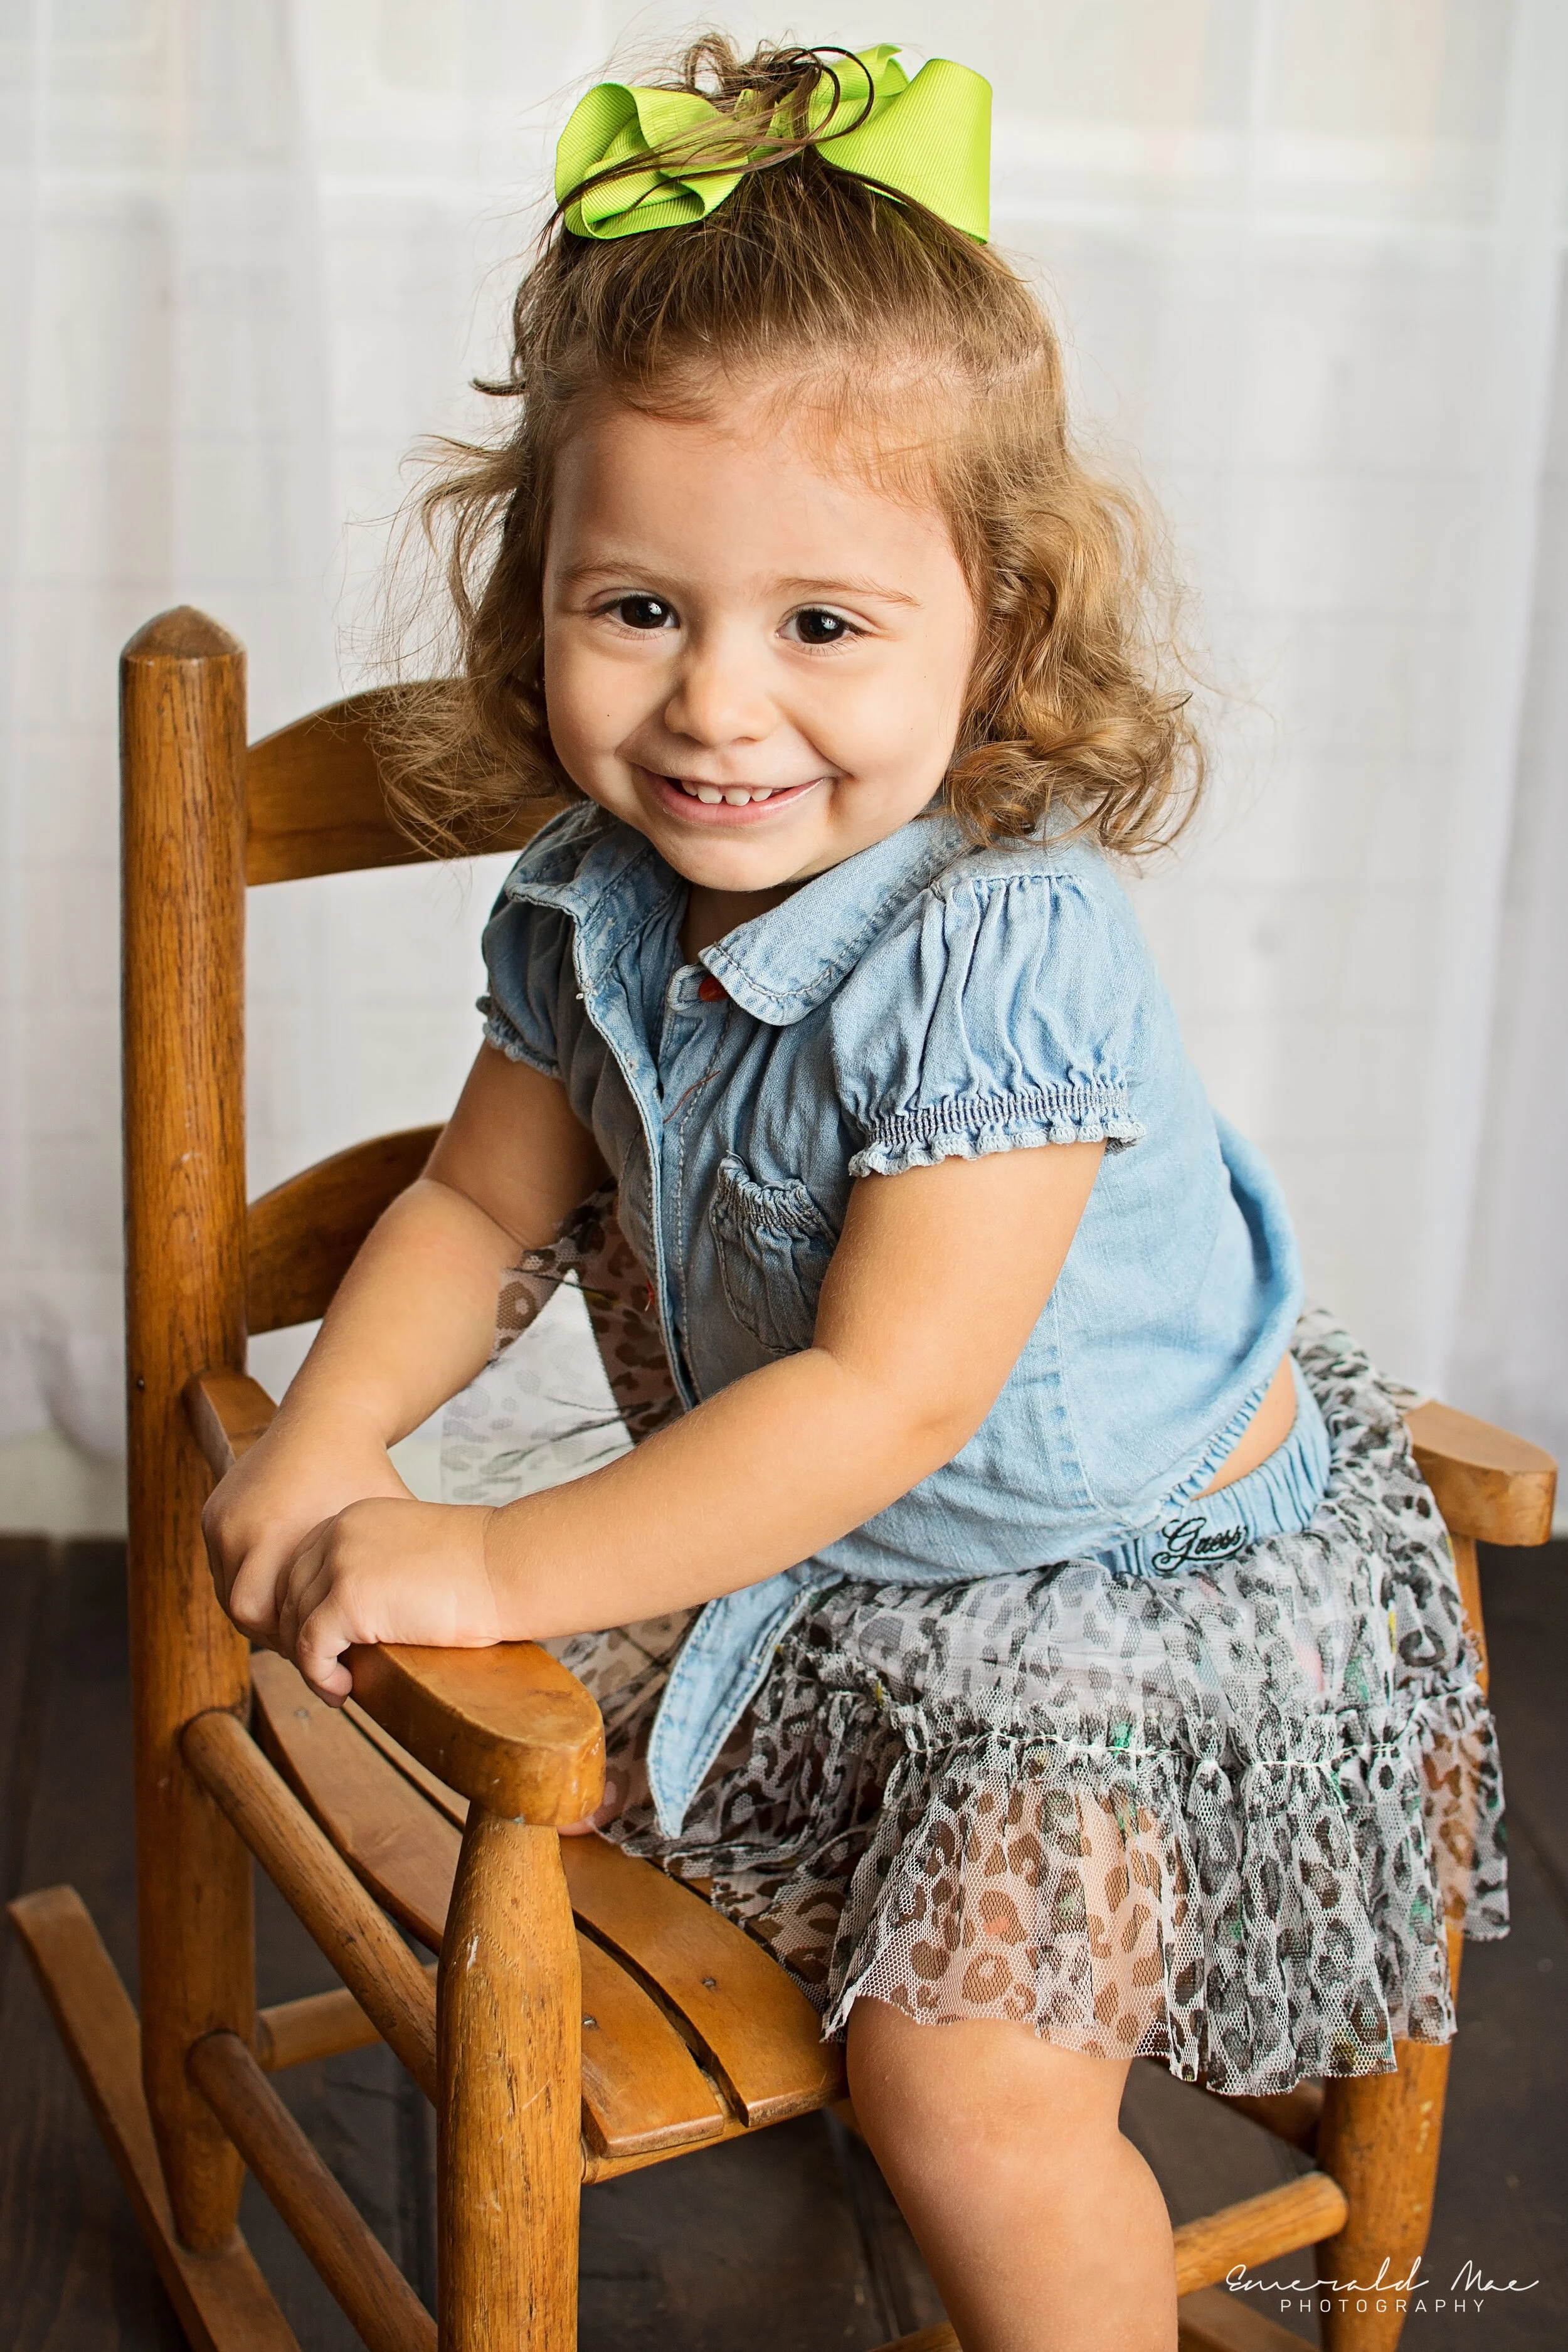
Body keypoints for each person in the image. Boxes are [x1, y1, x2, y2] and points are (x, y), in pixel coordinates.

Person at [203, 40, 1503, 2352]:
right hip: (831, 1551)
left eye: (821, 624)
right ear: (540, 593)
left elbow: (890, 1398)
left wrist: (492, 1545)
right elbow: (475, 1212)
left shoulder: (1005, 941)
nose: (718, 706)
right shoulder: (592, 896)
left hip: (1111, 1606)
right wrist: (330, 1434)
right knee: (485, 1706)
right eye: (637, 611)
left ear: (990, 618)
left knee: (968, 2095)